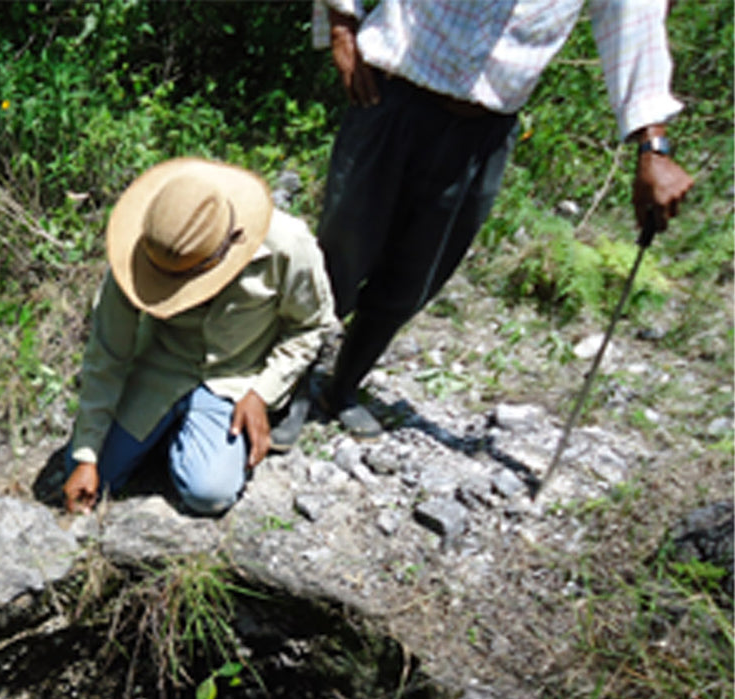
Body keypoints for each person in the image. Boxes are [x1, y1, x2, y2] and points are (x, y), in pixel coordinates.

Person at [286, 0, 696, 443]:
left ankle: (342, 386)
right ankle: (290, 386)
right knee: (341, 254)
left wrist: (654, 147)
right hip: (392, 96)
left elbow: (635, 28)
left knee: (416, 274)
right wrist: (341, 22)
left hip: (484, 130)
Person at [62, 157, 335, 516]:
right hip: (161, 364)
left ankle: (194, 435)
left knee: (209, 493)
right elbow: (107, 354)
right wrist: (86, 455)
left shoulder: (288, 246)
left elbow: (310, 326)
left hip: (236, 374)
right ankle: (168, 435)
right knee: (94, 475)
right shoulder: (142, 248)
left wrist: (262, 393)